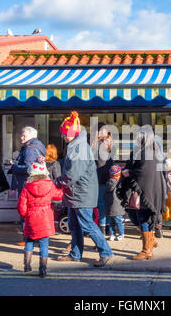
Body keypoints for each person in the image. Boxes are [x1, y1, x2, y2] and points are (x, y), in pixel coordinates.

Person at [55, 111, 113, 267]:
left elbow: (73, 174)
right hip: (76, 193)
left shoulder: (79, 148)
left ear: (73, 133)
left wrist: (58, 182)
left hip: (82, 193)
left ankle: (106, 252)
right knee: (74, 225)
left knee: (87, 224)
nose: (63, 137)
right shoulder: (76, 145)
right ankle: (75, 254)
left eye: (64, 134)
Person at [118, 125, 166, 260]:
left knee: (143, 218)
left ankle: (147, 250)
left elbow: (145, 171)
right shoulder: (144, 150)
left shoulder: (149, 151)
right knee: (133, 215)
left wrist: (129, 172)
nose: (137, 138)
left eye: (139, 136)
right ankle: (152, 239)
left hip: (147, 191)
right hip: (143, 189)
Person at [17, 159, 63, 278]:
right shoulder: (50, 185)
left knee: (29, 241)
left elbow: (21, 205)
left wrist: (24, 215)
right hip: (46, 217)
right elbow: (59, 196)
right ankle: (43, 269)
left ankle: (27, 266)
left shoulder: (27, 187)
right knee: (44, 243)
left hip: (31, 217)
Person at [9, 126, 46, 246]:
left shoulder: (30, 149)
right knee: (31, 212)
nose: (21, 137)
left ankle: (28, 239)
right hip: (32, 184)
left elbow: (28, 168)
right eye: (21, 134)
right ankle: (32, 238)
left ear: (31, 136)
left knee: (25, 212)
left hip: (26, 184)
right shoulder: (37, 146)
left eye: (23, 135)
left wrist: (14, 167)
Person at [91, 122, 115, 235]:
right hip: (108, 178)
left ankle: (102, 229)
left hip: (100, 179)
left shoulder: (99, 145)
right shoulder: (109, 143)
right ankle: (108, 229)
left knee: (101, 205)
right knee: (106, 204)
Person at [104, 165, 125, 241]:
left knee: (111, 221)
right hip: (118, 206)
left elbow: (105, 194)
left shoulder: (108, 182)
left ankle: (112, 234)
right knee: (119, 221)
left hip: (109, 205)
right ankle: (121, 234)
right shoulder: (120, 182)